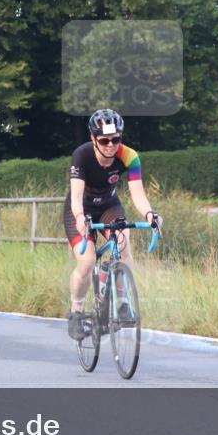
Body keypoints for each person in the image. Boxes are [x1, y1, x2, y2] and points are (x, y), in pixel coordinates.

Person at [64, 109, 162, 339]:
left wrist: (150, 214)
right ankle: (76, 311)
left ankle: (122, 301)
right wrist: (80, 218)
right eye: (104, 140)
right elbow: (76, 197)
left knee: (123, 242)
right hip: (81, 210)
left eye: (115, 140)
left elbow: (137, 193)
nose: (110, 145)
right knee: (87, 261)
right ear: (93, 139)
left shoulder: (130, 156)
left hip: (109, 206)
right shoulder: (82, 155)